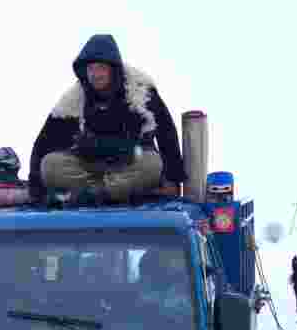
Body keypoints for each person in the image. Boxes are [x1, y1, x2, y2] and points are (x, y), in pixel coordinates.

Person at [28, 34, 187, 204]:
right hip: (89, 167)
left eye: (101, 68)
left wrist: (173, 181)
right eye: (91, 69)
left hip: (130, 163)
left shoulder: (140, 92)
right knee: (50, 164)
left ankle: (96, 194)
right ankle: (100, 193)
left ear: (113, 69)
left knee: (153, 163)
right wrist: (35, 189)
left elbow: (166, 133)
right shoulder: (74, 99)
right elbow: (44, 142)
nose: (96, 74)